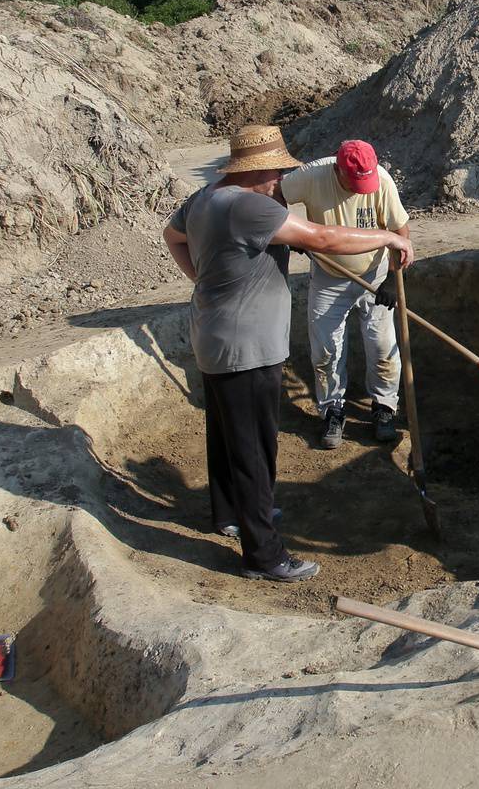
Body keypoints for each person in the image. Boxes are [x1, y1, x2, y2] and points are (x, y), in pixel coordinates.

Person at [163, 126, 413, 580]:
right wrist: (388, 239)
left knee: (225, 434)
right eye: (276, 170)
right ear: (254, 170)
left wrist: (203, 278)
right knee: (255, 447)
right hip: (249, 346)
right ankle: (265, 555)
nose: (281, 178)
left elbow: (172, 236)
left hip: (214, 335)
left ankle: (229, 515)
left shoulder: (204, 198)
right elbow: (322, 238)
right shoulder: (250, 206)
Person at [279, 140, 412, 450]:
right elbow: (273, 196)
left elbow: (400, 233)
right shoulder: (312, 176)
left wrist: (393, 279)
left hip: (375, 276)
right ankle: (333, 410)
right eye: (353, 183)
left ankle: (383, 409)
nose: (359, 189)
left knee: (382, 347)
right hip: (328, 278)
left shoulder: (382, 181)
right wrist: (289, 231)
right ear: (336, 169)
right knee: (326, 350)